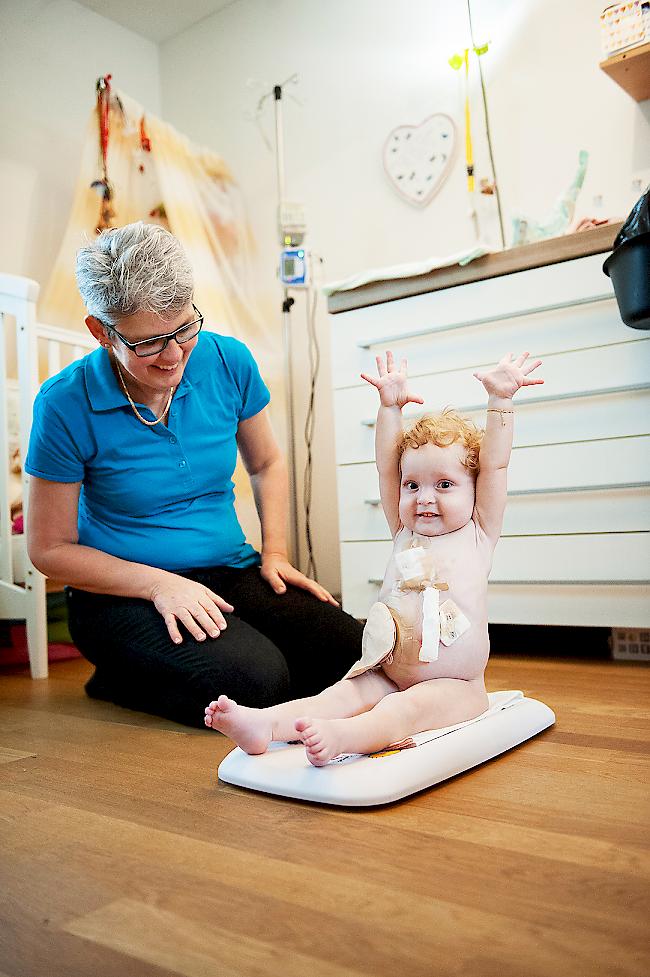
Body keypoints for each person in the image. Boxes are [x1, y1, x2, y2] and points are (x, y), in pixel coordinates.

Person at [25, 222, 363, 726]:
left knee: (354, 651)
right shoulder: (64, 404)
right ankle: (118, 676)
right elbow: (48, 550)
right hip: (121, 594)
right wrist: (160, 586)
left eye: (184, 328)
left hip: (228, 568)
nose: (175, 354)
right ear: (100, 332)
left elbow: (267, 463)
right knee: (258, 684)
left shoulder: (228, 361)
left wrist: (275, 553)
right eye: (149, 343)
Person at [204, 349, 543, 765]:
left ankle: (345, 736)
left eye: (444, 484)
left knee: (399, 711)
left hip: (455, 687)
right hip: (388, 672)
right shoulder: (405, 532)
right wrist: (389, 407)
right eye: (413, 485)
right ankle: (264, 725)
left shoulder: (478, 533)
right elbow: (386, 466)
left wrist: (501, 402)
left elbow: (495, 466)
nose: (425, 499)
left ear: (473, 491)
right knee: (339, 693)